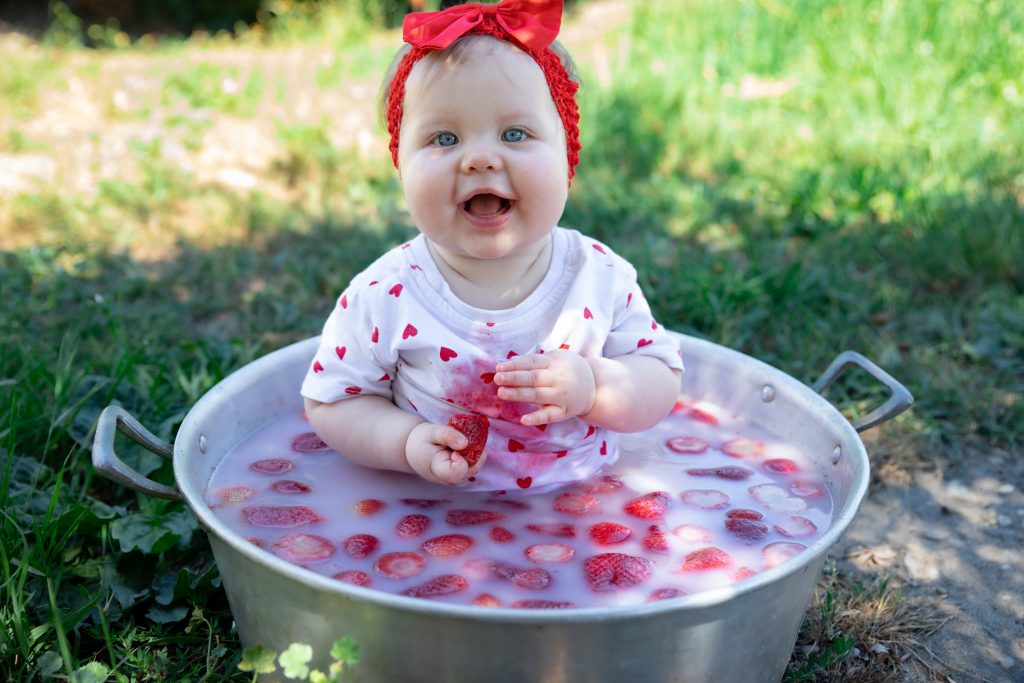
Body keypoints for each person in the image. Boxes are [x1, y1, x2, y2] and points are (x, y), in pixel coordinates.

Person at [301, 0, 683, 493]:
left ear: (567, 154)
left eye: (515, 133)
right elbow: (332, 400)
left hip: (586, 501)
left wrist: (594, 386)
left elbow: (659, 376)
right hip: (432, 513)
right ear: (402, 167)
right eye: (444, 138)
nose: (479, 158)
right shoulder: (385, 294)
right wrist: (405, 442)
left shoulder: (599, 275)